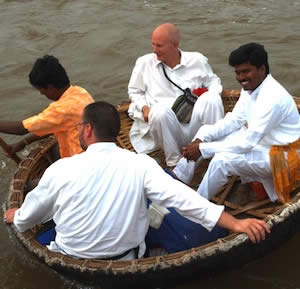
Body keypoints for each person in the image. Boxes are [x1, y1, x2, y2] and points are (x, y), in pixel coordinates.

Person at [4, 101, 270, 260]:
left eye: (79, 128)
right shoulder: (141, 164)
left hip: (71, 256)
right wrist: (235, 222)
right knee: (159, 206)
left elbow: (27, 218)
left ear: (87, 130)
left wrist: (16, 215)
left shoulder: (60, 169)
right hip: (125, 258)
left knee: (36, 231)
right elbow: (184, 199)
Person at [172, 42, 300, 202]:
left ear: (262, 69)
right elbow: (234, 120)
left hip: (282, 156)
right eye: (237, 73)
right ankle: (178, 178)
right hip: (262, 144)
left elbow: (247, 143)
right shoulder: (251, 88)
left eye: (246, 71)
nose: (240, 78)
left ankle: (196, 207)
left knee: (221, 161)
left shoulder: (272, 98)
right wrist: (201, 142)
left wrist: (202, 149)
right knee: (205, 131)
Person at [128, 23, 224, 167]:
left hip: (195, 126)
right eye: (153, 45)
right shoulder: (144, 63)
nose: (154, 50)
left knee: (213, 99)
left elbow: (213, 81)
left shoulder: (196, 60)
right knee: (159, 111)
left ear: (174, 45)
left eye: (159, 46)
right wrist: (144, 108)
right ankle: (174, 162)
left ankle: (213, 154)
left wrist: (206, 96)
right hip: (167, 131)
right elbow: (135, 91)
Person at [0, 55, 94, 159]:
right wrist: (23, 143)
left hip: (82, 160)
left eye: (42, 91)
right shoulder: (80, 92)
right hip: (92, 149)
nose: (42, 94)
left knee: (54, 152)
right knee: (54, 149)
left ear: (50, 87)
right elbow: (50, 125)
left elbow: (21, 129)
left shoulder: (61, 110)